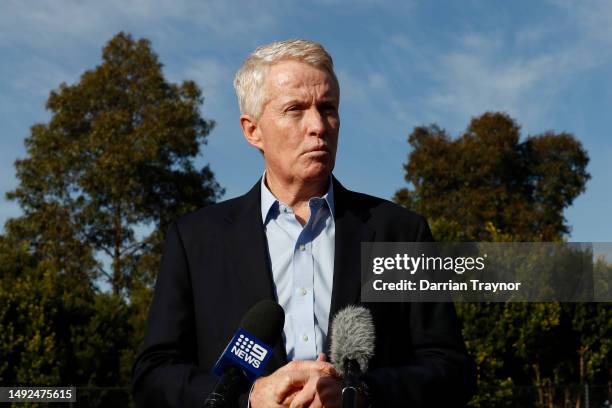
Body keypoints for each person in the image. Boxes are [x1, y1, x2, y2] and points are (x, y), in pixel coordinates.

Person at [132, 39, 476, 408]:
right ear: (253, 131)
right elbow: (153, 375)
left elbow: (451, 370)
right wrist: (249, 397)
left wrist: (360, 393)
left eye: (327, 108)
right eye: (295, 109)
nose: (318, 126)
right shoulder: (196, 239)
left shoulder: (401, 234)